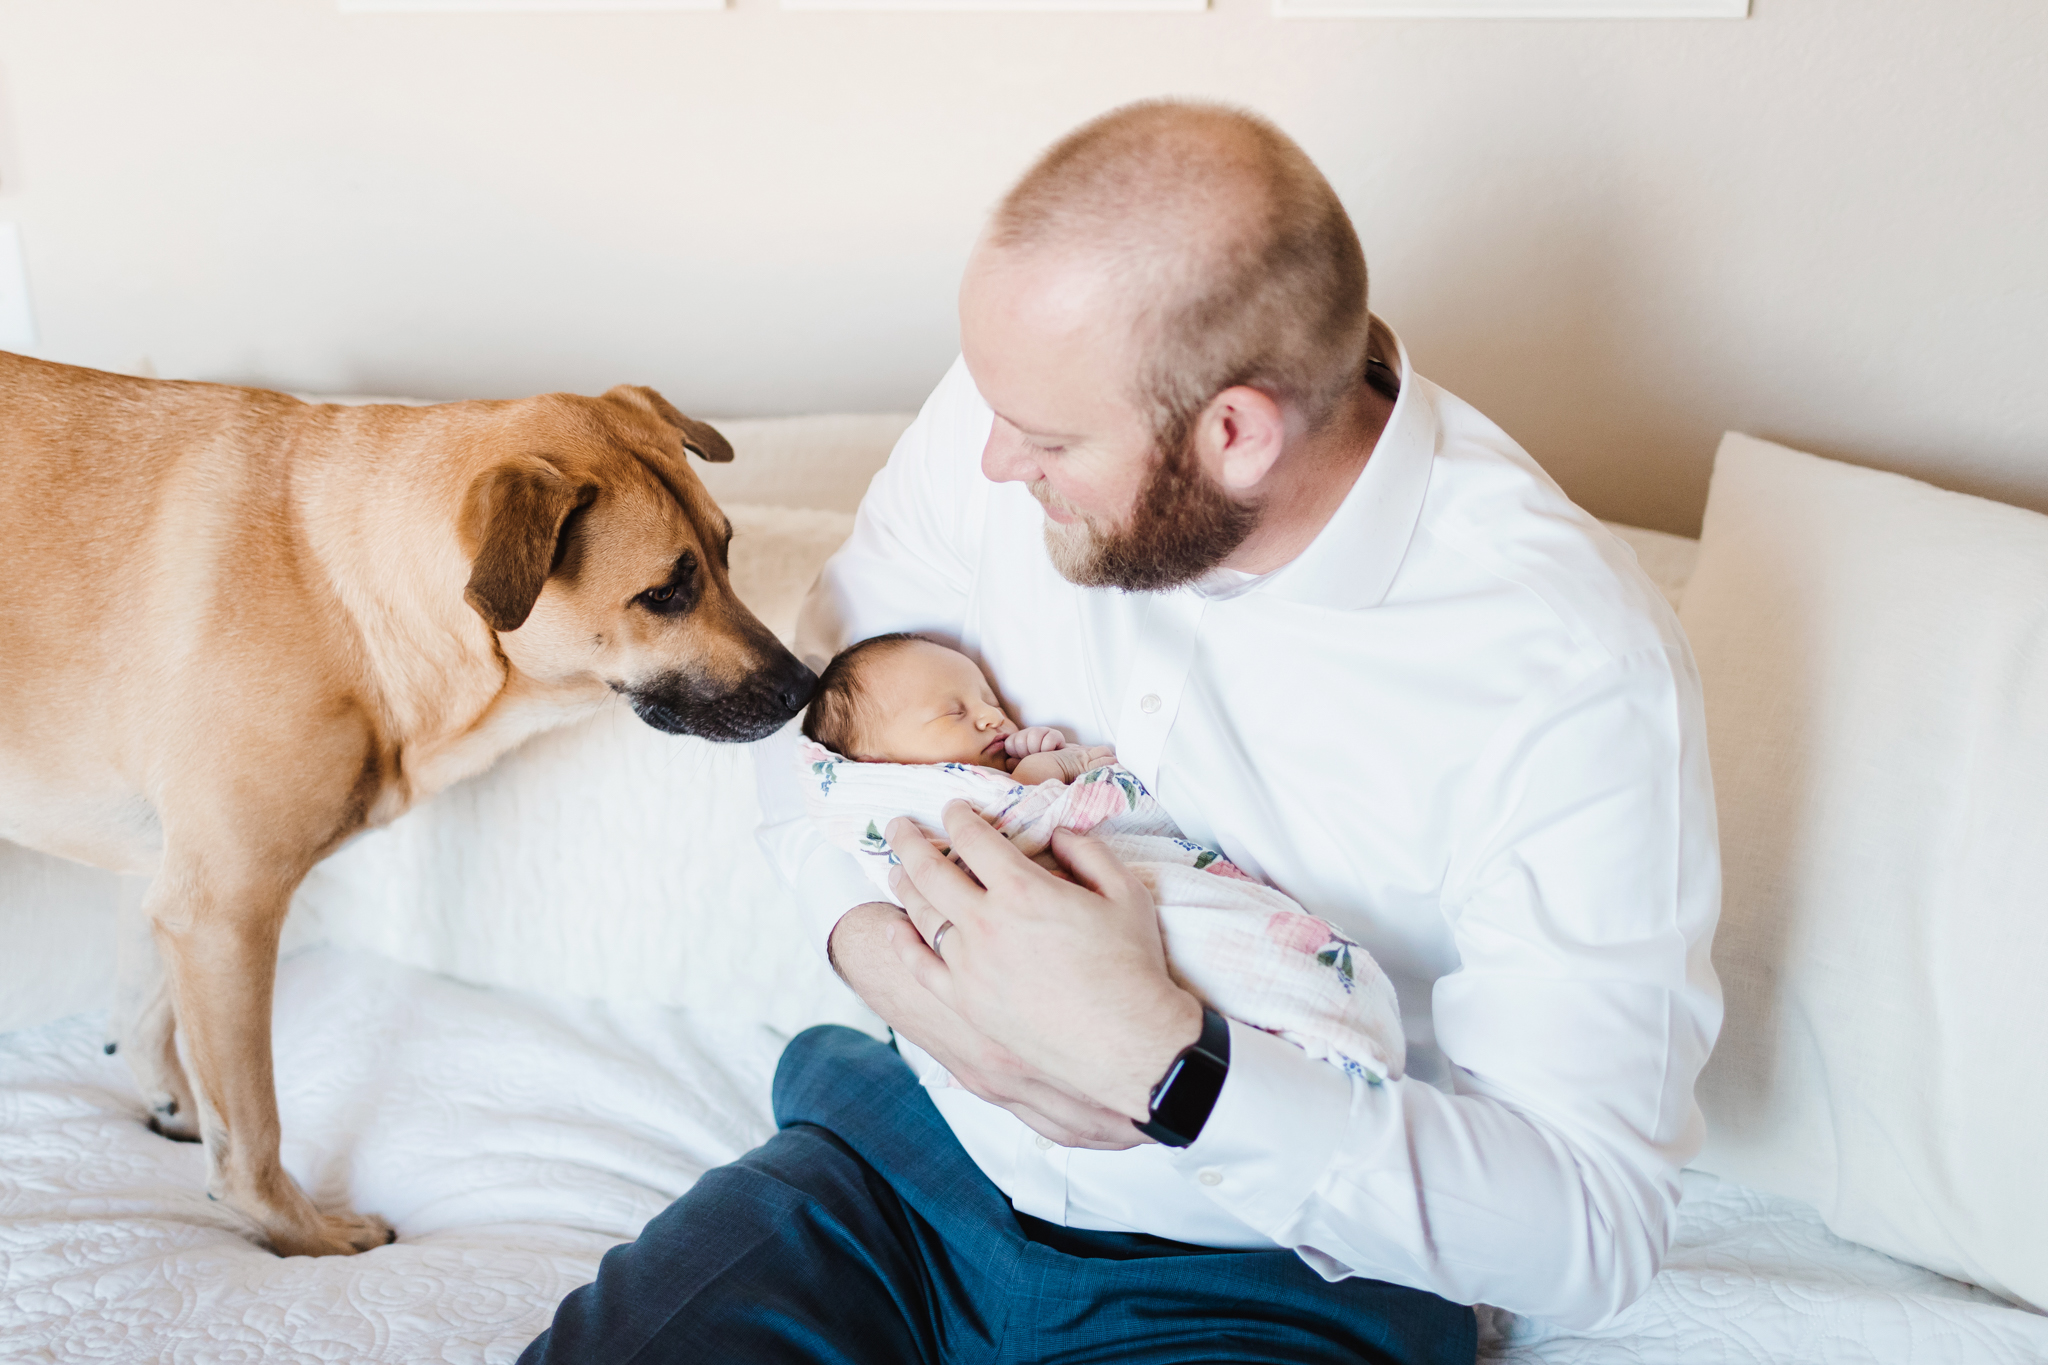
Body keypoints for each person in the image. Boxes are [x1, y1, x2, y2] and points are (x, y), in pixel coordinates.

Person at [520, 97, 1720, 1364]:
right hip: (907, 1162)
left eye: (1040, 441)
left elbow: (1592, 1222)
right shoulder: (1019, 408)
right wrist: (874, 954)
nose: (988, 464)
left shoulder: (1570, 671)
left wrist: (1168, 1066)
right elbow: (818, 735)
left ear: (1234, 433)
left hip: (1269, 1277)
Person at [794, 631, 1410, 1087]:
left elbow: (1090, 802)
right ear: (877, 767)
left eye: (986, 697)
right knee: (812, 1064)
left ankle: (1312, 1043)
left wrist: (1049, 768)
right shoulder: (904, 806)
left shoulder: (1004, 774)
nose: (991, 714)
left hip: (1125, 934)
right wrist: (1044, 777)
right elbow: (1019, 826)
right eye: (954, 712)